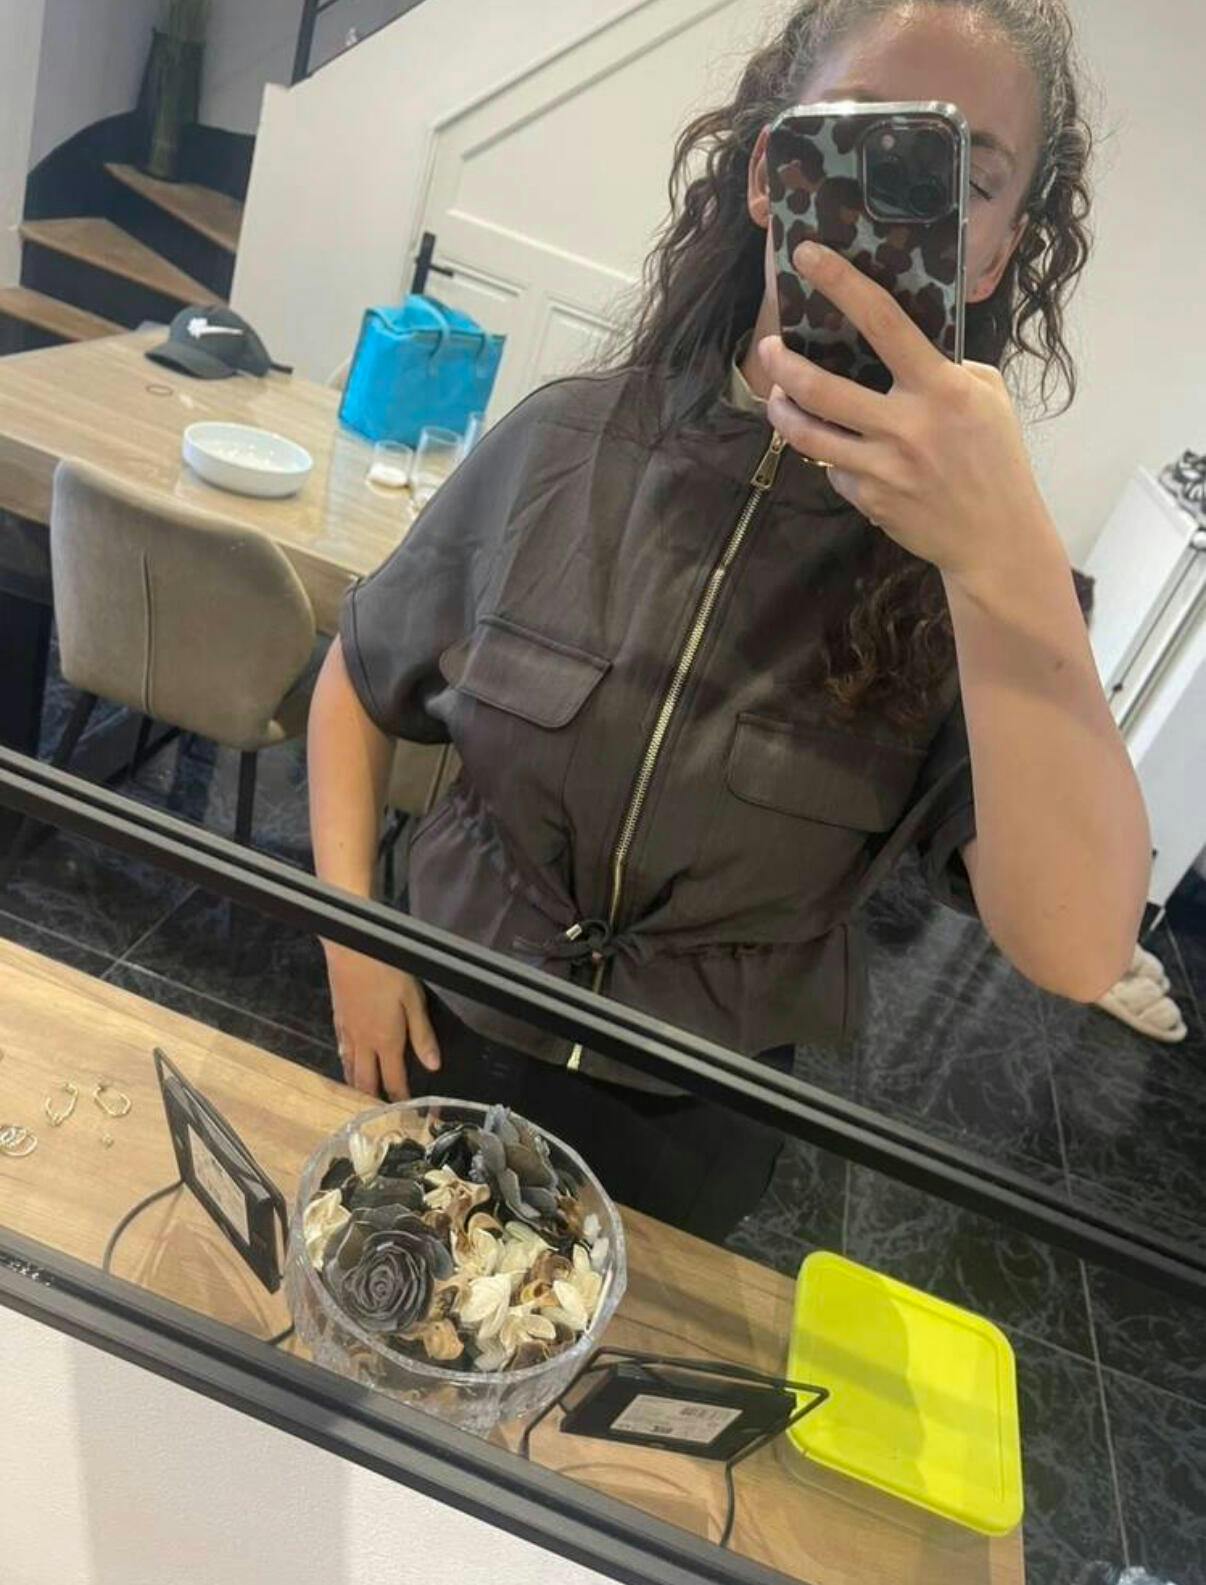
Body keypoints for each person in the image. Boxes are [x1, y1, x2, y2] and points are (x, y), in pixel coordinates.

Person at [308, 0, 1150, 1241]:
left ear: (992, 254)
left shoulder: (984, 586)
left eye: (963, 178)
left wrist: (1004, 561)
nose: (894, 201)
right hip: (430, 1027)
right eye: (855, 137)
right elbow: (358, 673)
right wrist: (353, 944)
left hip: (683, 1135)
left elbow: (1078, 949)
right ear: (770, 174)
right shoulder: (567, 440)